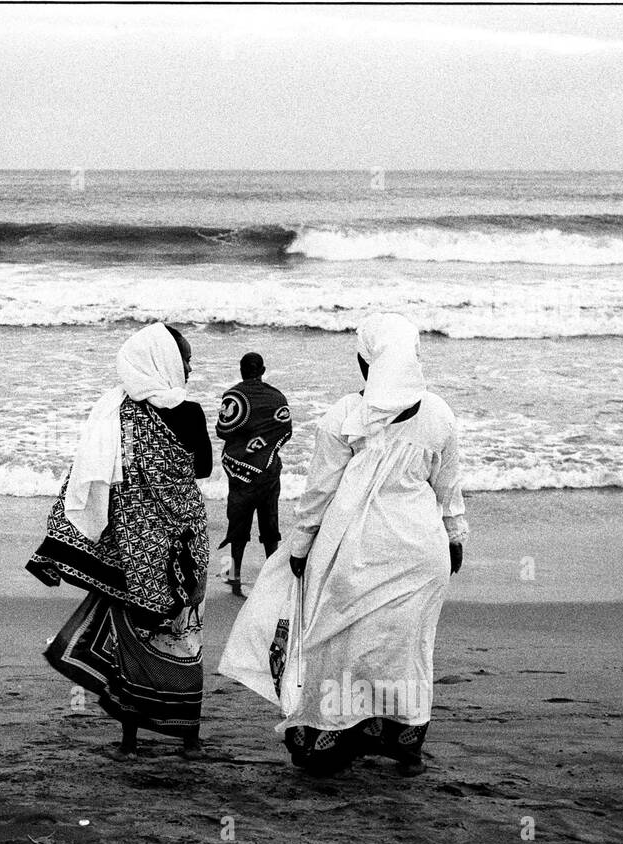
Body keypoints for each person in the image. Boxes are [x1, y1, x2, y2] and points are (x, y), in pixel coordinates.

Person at [224, 313, 467, 777]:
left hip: (352, 553)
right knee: (407, 648)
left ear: (367, 362)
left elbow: (318, 493)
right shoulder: (439, 413)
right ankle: (405, 743)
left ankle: (331, 740)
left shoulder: (344, 414)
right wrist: (455, 536)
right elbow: (449, 488)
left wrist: (298, 546)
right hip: (421, 552)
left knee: (339, 648)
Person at [27, 323, 212, 760]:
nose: (189, 365)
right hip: (184, 544)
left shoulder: (117, 414)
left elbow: (92, 481)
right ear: (162, 362)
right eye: (183, 358)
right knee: (184, 636)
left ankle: (129, 742)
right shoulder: (190, 412)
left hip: (133, 551)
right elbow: (202, 468)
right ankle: (188, 738)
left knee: (132, 642)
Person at [215, 351, 293, 597]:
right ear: (263, 370)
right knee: (270, 524)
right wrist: (263, 448)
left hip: (239, 472)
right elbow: (286, 430)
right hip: (268, 470)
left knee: (238, 523)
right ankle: (271, 579)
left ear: (241, 369)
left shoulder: (234, 395)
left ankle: (232, 577)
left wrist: (246, 444)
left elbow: (222, 430)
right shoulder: (277, 396)